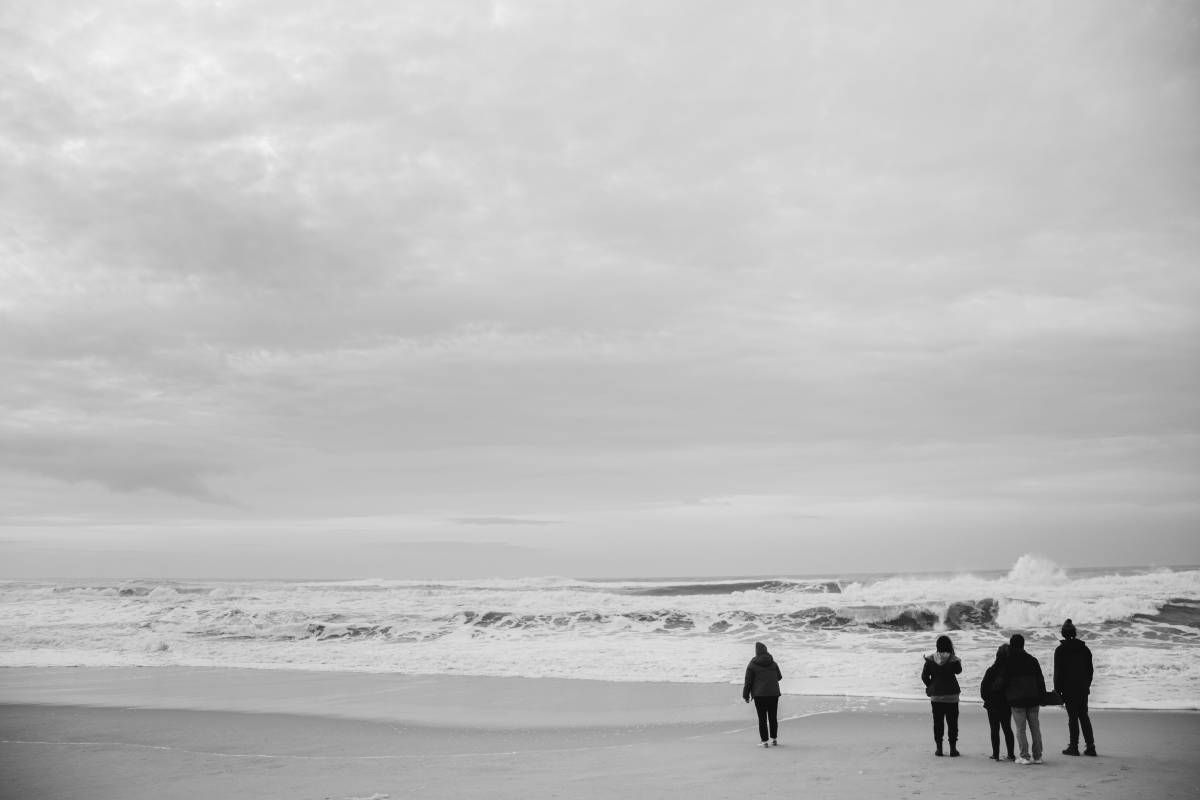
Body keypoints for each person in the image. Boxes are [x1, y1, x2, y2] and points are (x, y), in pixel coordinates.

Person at [1055, 618, 1097, 756]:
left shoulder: (1060, 650)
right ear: (1075, 633)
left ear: (1062, 634)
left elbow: (1058, 673)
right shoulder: (1085, 649)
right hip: (1082, 688)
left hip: (1068, 688)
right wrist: (1087, 685)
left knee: (1073, 717)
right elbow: (1090, 670)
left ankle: (1074, 746)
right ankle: (1091, 747)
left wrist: (1057, 691)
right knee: (1084, 716)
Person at [1005, 633, 1046, 765]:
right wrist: (1043, 695)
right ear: (1023, 645)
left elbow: (1004, 681)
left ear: (1011, 645)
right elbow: (1040, 680)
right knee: (1035, 728)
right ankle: (1038, 756)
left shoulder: (1009, 661)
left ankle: (1024, 756)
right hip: (1033, 698)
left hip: (1017, 700)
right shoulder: (1032, 660)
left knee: (1020, 729)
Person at [921, 635, 963, 757]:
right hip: (952, 696)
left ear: (937, 646)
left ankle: (939, 749)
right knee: (952, 723)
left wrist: (931, 686)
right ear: (949, 646)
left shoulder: (930, 659)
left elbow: (924, 676)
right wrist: (953, 656)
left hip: (936, 696)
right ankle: (953, 750)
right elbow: (958, 671)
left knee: (938, 723)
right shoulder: (953, 659)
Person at [742, 641, 783, 747]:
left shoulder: (752, 664)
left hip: (760, 695)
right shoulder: (773, 663)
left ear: (756, 652)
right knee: (773, 717)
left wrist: (745, 695)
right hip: (773, 694)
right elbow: (779, 677)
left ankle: (764, 741)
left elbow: (748, 682)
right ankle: (774, 739)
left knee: (762, 718)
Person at [980, 643, 1016, 761]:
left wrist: (987, 699)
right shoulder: (1011, 672)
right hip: (1006, 703)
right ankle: (1011, 754)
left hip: (992, 703)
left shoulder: (991, 670)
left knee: (994, 729)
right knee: (1007, 728)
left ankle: (996, 754)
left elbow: (983, 688)